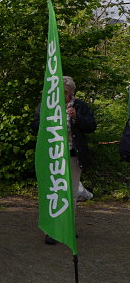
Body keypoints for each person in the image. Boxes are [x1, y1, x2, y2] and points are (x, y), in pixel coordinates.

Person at [32, 76, 96, 244]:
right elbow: (34, 127)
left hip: (73, 156)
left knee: (71, 194)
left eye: (65, 92)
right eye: (58, 91)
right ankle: (51, 229)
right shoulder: (47, 104)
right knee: (53, 192)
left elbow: (91, 126)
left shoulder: (80, 106)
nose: (61, 94)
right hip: (52, 156)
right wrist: (47, 117)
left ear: (71, 93)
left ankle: (67, 227)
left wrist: (76, 117)